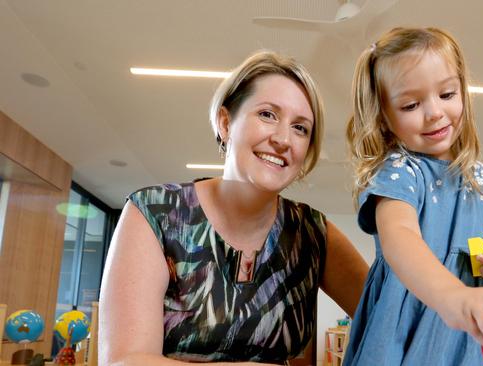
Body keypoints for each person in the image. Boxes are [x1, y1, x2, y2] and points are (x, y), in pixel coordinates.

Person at [99, 51, 369, 365]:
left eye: (300, 128)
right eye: (268, 114)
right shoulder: (156, 214)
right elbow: (124, 361)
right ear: (226, 123)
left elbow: (392, 320)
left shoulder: (312, 234)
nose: (283, 139)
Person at [343, 27, 483, 365]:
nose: (434, 112)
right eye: (410, 104)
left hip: (462, 336)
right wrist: (453, 296)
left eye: (447, 94)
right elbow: (399, 237)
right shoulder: (400, 171)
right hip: (404, 326)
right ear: (385, 118)